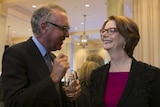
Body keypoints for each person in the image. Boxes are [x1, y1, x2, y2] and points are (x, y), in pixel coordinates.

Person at [1, 4, 81, 107]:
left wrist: (68, 96)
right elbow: (14, 103)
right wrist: (52, 78)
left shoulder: (52, 57)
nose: (67, 35)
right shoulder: (16, 54)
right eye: (64, 28)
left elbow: (52, 96)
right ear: (44, 27)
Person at [88, 15, 160, 107]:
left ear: (126, 37)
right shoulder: (96, 75)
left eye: (111, 31)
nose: (104, 35)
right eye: (103, 31)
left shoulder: (152, 75)